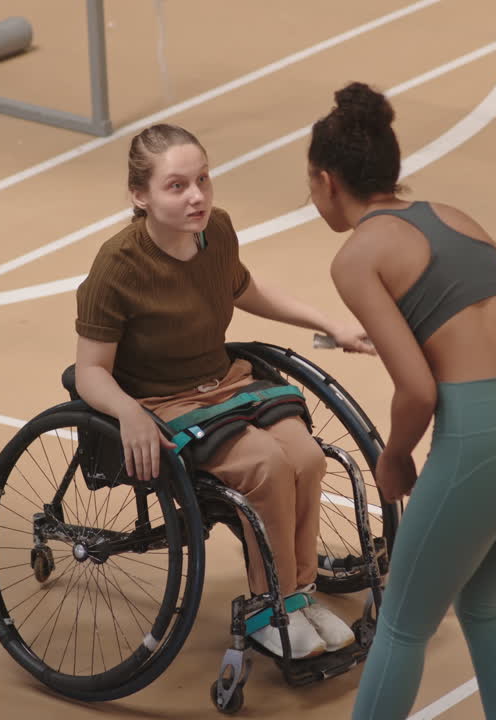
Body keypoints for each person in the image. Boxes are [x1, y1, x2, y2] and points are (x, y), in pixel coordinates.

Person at [305, 83, 496, 719]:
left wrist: (397, 456)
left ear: (325, 180)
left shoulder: (356, 258)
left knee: (402, 623)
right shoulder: (456, 215)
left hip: (487, 444)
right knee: (485, 604)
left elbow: (419, 390)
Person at [72, 123, 374, 660]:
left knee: (306, 456)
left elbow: (245, 289)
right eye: (177, 186)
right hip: (165, 401)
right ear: (139, 196)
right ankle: (269, 604)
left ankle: (297, 595)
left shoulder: (219, 231)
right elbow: (90, 370)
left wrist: (330, 322)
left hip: (228, 383)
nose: (197, 197)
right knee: (267, 467)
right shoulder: (117, 266)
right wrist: (129, 413)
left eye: (204, 180)